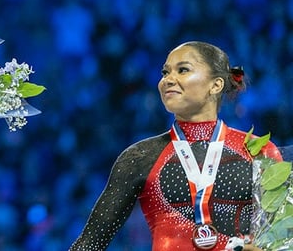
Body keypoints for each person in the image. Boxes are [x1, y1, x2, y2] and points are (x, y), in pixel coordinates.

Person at [69, 41, 280, 251]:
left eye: (183, 70)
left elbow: (283, 236)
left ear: (215, 85)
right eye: (165, 72)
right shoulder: (140, 157)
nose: (168, 80)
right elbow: (90, 244)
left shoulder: (259, 151)